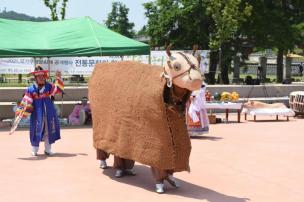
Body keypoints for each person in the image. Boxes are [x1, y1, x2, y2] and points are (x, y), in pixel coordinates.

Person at [13, 64, 64, 156]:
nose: (41, 78)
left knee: (49, 129)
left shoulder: (49, 86)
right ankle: (34, 149)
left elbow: (59, 90)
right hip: (37, 114)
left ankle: (48, 149)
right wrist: (20, 114)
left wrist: (59, 78)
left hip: (49, 112)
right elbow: (25, 102)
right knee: (36, 129)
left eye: (42, 76)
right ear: (35, 78)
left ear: (45, 76)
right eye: (38, 76)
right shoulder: (30, 89)